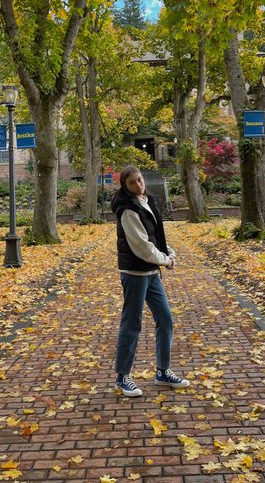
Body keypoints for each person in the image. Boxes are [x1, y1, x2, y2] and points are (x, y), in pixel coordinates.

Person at [111, 165, 190, 397]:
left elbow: (156, 238)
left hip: (151, 272)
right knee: (132, 323)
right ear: (125, 186)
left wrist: (169, 253)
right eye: (132, 183)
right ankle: (122, 376)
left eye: (140, 180)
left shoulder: (147, 201)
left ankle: (163, 372)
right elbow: (142, 246)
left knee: (165, 318)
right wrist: (165, 260)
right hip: (135, 273)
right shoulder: (127, 209)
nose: (138, 185)